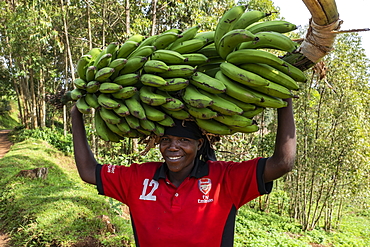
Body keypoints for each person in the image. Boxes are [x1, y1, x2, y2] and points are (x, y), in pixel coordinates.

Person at [71, 98, 296, 247]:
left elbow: (282, 163)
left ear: (199, 144)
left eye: (184, 140)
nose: (173, 147)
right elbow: (89, 171)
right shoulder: (139, 178)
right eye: (166, 140)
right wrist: (76, 116)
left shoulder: (224, 179)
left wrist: (283, 102)